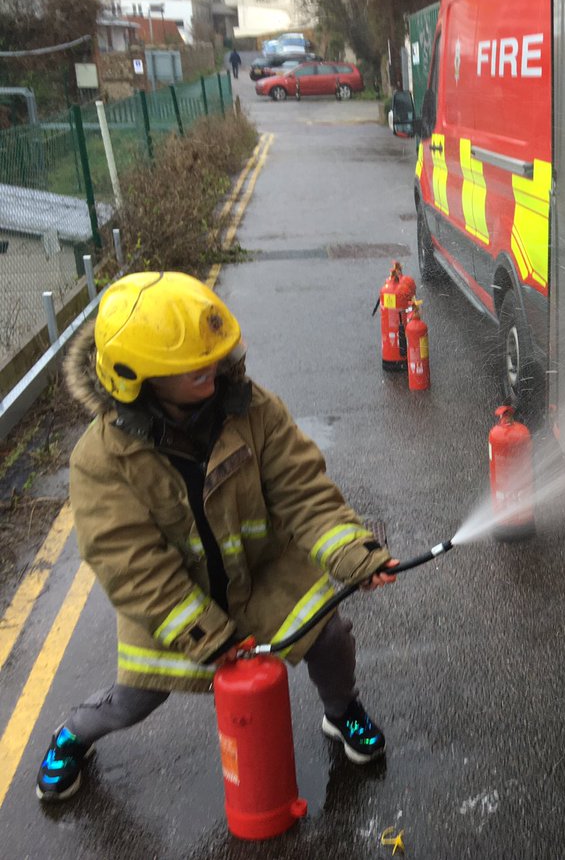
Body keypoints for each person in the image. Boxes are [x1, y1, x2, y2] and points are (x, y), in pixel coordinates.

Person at [36, 271, 401, 802]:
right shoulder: (101, 459)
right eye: (191, 364)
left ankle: (342, 711)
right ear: (138, 376)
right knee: (135, 698)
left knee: (331, 639)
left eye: (212, 354)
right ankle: (73, 734)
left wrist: (354, 554)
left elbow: (303, 491)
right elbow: (131, 564)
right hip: (176, 602)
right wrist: (203, 633)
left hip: (262, 577)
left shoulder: (255, 411)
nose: (211, 367)